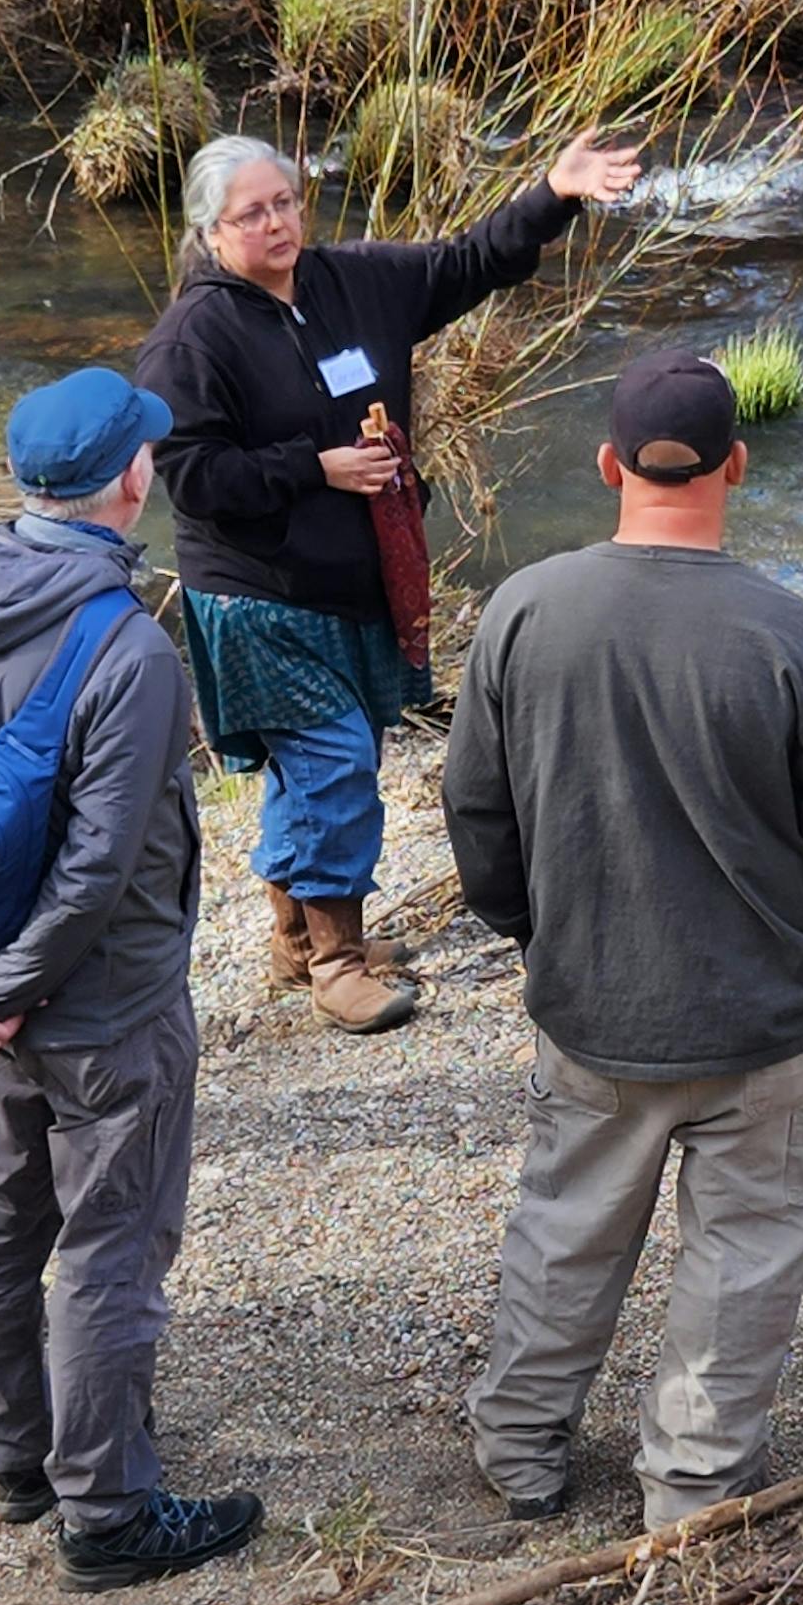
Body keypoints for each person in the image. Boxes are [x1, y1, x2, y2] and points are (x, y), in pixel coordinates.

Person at [445, 353, 803, 1524]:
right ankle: (689, 1493)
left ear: (606, 466)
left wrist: (534, 935)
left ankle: (519, 1445)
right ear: (739, 467)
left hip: (594, 1003)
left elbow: (478, 816)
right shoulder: (793, 636)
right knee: (740, 1260)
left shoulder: (523, 611)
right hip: (769, 1020)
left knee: (566, 1225)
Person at [0, 367, 268, 1590]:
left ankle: (20, 1457)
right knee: (111, 1242)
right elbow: (97, 873)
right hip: (106, 1000)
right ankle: (109, 1509)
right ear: (130, 482)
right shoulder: (130, 647)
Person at [134, 128, 643, 1033]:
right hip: (257, 592)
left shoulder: (352, 282)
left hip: (359, 579)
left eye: (286, 202)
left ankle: (296, 938)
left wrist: (555, 194)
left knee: (319, 759)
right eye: (253, 213)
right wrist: (313, 467)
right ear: (211, 231)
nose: (278, 222)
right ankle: (337, 962)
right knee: (332, 761)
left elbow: (468, 262)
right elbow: (193, 480)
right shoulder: (192, 339)